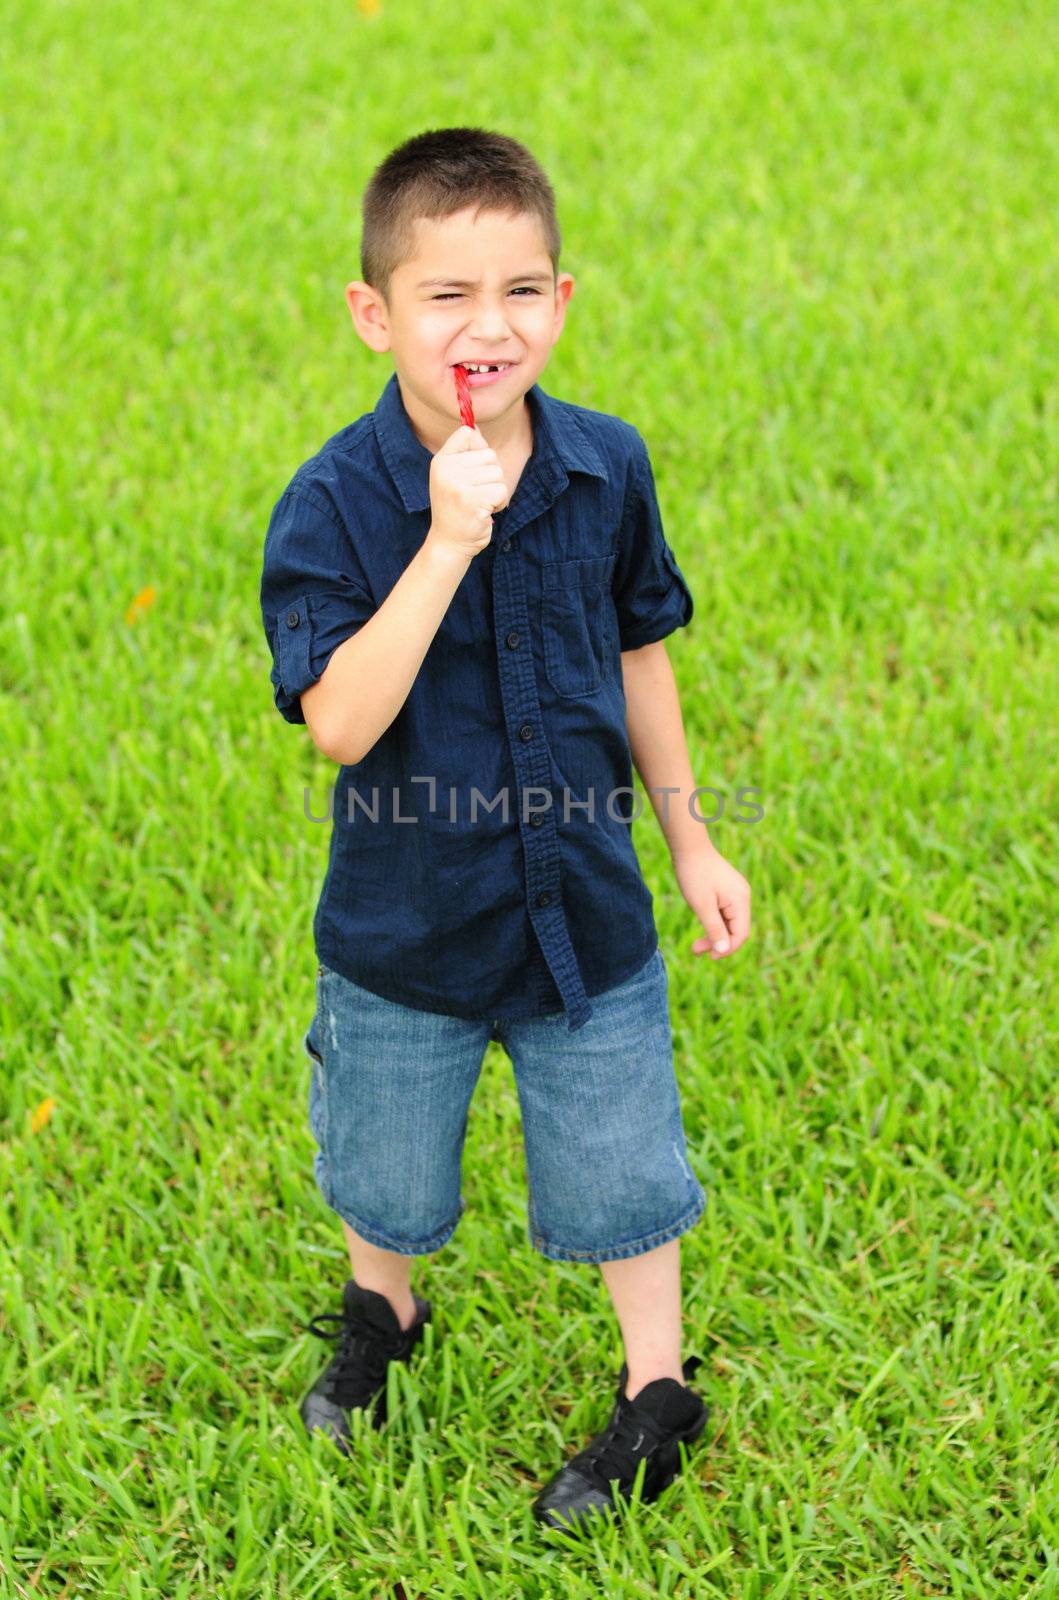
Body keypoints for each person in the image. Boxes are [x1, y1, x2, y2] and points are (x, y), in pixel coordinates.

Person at [259, 125, 752, 1537]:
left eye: (522, 291)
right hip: (406, 921)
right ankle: (384, 1314)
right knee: (386, 1155)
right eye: (447, 296)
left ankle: (658, 1388)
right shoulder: (338, 501)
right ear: (375, 314)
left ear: (564, 300)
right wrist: (446, 540)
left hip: (582, 906)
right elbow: (342, 719)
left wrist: (693, 840)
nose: (490, 327)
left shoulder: (604, 468)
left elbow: (639, 652)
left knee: (622, 1155)